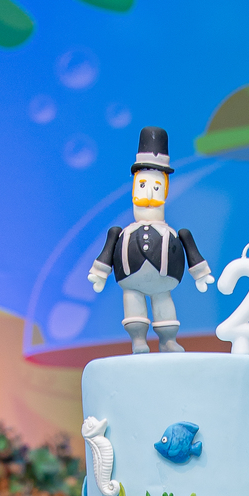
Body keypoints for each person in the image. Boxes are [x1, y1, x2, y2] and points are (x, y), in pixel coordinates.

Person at [88, 125, 214, 352]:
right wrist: (99, 273)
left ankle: (168, 340)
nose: (147, 193)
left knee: (163, 302)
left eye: (155, 187)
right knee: (132, 302)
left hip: (163, 278)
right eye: (142, 185)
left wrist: (201, 274)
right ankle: (138, 340)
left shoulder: (175, 233)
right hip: (131, 278)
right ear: (134, 188)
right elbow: (107, 252)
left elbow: (191, 250)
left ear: (165, 190)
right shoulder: (120, 232)